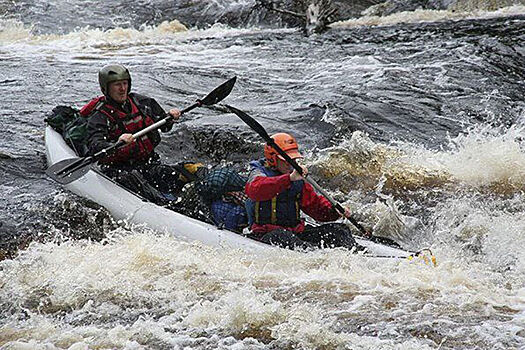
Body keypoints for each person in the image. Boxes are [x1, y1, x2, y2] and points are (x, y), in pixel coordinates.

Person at [82, 64, 194, 203]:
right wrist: (117, 142)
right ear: (106, 88)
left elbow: (164, 127)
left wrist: (169, 117)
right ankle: (166, 204)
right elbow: (95, 145)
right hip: (120, 170)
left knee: (190, 171)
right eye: (117, 85)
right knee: (146, 189)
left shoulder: (142, 103)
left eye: (125, 83)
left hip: (149, 164)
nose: (123, 89)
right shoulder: (100, 116)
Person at [245, 132, 359, 250]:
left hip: (295, 232)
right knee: (284, 237)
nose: (290, 164)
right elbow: (254, 190)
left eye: (292, 159)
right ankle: (312, 254)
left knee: (339, 231)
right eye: (286, 160)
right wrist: (288, 179)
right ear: (273, 159)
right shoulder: (258, 173)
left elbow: (315, 208)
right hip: (267, 234)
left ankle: (359, 253)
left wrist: (334, 211)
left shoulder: (297, 178)